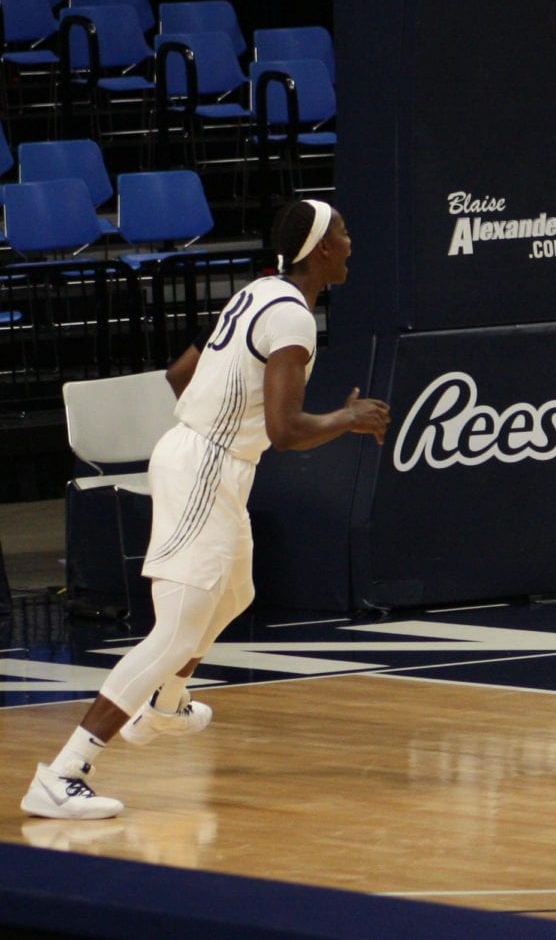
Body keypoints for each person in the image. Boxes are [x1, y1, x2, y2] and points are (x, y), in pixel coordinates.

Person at [23, 200, 386, 821]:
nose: (353, 242)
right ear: (322, 248)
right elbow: (287, 429)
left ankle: (165, 704)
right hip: (206, 469)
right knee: (175, 633)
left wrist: (214, 426)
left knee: (236, 592)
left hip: (207, 463)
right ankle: (64, 773)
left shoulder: (257, 293)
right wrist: (349, 418)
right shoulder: (293, 320)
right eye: (345, 232)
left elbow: (179, 373)